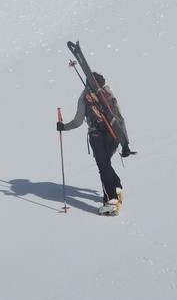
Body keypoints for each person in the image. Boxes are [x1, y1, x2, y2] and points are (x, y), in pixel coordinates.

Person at [57, 71, 134, 215]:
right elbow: (119, 119)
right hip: (113, 134)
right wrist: (125, 144)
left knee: (103, 166)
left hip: (96, 135)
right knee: (105, 164)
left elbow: (78, 121)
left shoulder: (84, 97)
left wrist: (63, 127)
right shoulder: (108, 94)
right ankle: (116, 188)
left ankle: (111, 200)